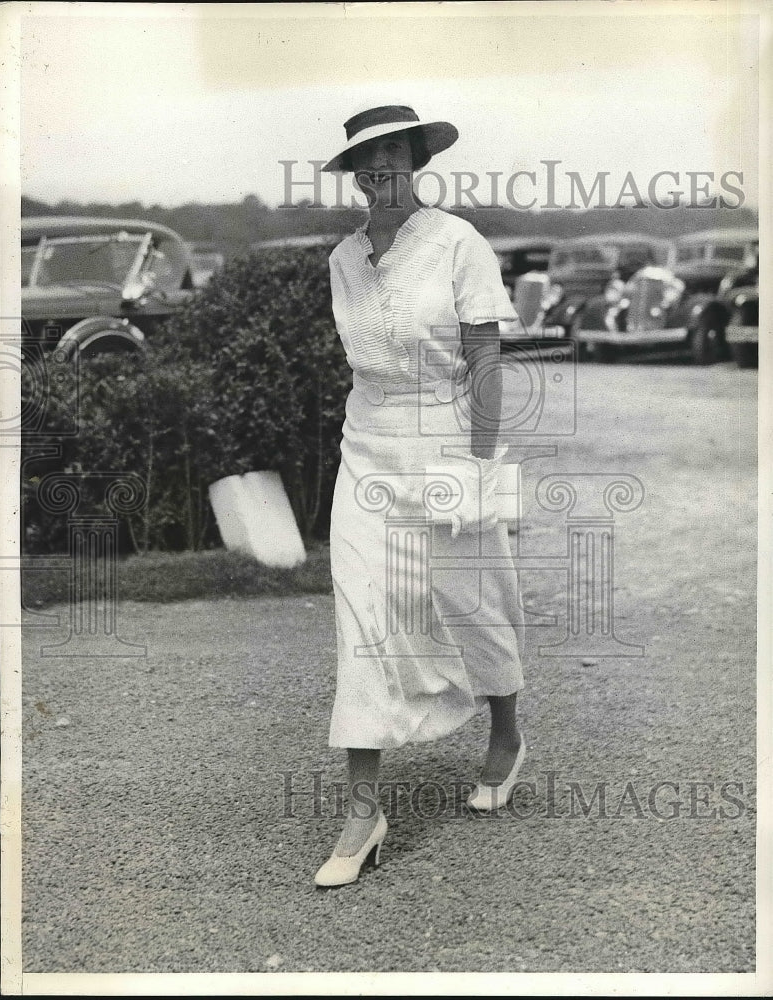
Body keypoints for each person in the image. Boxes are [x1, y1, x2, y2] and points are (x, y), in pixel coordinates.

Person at [315, 104, 526, 888]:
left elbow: (486, 357)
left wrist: (479, 462)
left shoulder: (457, 242)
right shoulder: (342, 258)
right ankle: (364, 810)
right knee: (362, 610)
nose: (380, 170)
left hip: (447, 435)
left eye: (393, 153)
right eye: (366, 159)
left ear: (415, 160)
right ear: (354, 172)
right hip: (366, 445)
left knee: (472, 598)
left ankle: (506, 734)